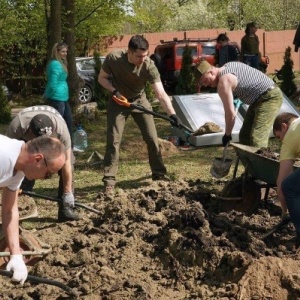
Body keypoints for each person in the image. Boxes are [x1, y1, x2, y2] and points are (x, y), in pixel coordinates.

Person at [98, 34, 182, 197]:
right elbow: (101, 78)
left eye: (145, 55)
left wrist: (172, 114)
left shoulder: (149, 65)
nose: (143, 59)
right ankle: (109, 181)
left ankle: (159, 174)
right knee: (113, 140)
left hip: (139, 100)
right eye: (139, 56)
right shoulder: (114, 59)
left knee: (152, 138)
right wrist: (114, 91)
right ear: (129, 52)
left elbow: (161, 94)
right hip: (118, 102)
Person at [0, 134, 66, 284]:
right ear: (37, 159)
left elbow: (9, 211)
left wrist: (16, 256)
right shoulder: (3, 157)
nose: (45, 178)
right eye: (48, 174)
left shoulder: (19, 168)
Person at [6, 105, 79, 222]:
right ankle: (22, 206)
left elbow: (67, 163)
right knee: (23, 163)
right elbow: (9, 156)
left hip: (55, 143)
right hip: (26, 142)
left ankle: (66, 209)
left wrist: (68, 193)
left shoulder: (61, 130)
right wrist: (11, 184)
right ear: (30, 131)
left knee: (67, 163)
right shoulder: (18, 126)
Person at [194, 60, 283, 148]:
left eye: (205, 81)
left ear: (211, 72)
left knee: (257, 138)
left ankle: (262, 161)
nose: (206, 85)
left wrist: (227, 135)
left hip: (270, 97)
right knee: (244, 137)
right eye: (203, 84)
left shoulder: (223, 82)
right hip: (258, 99)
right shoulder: (228, 65)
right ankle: (249, 162)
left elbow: (230, 114)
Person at [273, 112, 300, 225]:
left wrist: (285, 213)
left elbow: (281, 184)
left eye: (279, 137)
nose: (281, 141)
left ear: (284, 127)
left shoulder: (288, 140)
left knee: (288, 186)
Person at [44, 42, 73, 137]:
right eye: (63, 51)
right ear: (57, 52)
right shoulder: (55, 64)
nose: (65, 53)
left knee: (68, 122)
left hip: (63, 98)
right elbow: (52, 84)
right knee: (57, 125)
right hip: (56, 98)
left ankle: (69, 146)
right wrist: (47, 96)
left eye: (66, 51)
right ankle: (56, 146)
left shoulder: (61, 63)